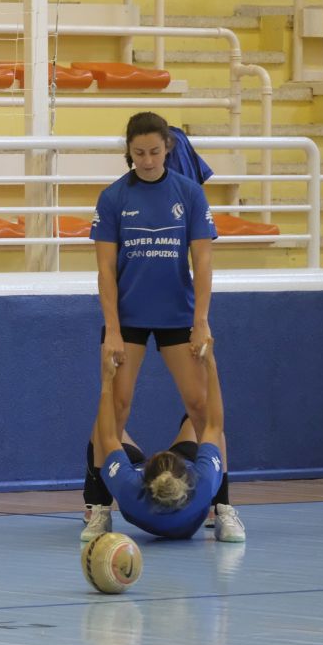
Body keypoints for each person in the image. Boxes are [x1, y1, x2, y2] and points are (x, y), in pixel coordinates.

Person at [84, 111, 218, 537]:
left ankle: (223, 506)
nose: (146, 159)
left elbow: (203, 261)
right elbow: (106, 272)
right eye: (138, 152)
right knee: (114, 411)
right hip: (130, 319)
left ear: (169, 148)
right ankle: (98, 506)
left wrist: (201, 322)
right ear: (128, 151)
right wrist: (113, 331)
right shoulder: (113, 197)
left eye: (154, 151)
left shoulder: (190, 193)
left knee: (202, 408)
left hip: (179, 317)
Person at [87, 337, 245, 543]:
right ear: (186, 472)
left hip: (140, 480)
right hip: (182, 500)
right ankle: (222, 508)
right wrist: (210, 364)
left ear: (144, 477)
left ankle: (97, 505)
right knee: (200, 421)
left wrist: (107, 379)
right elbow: (213, 426)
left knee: (99, 430)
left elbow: (107, 436)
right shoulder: (202, 481)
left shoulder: (129, 486)